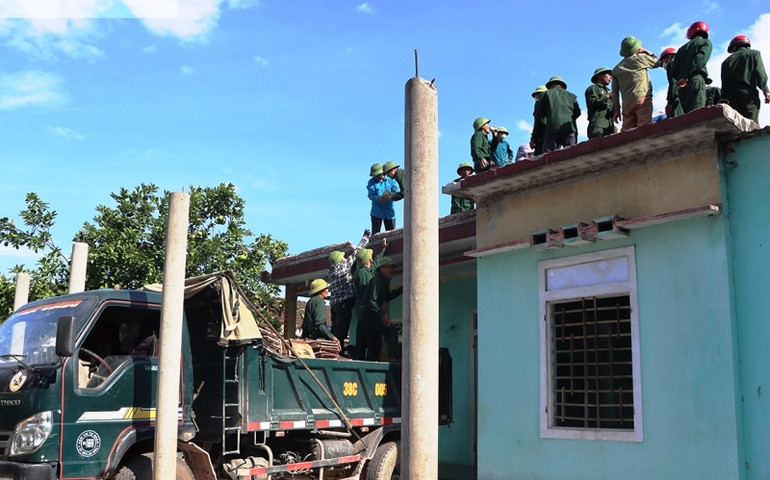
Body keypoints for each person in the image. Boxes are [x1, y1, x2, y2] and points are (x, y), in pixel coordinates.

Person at [328, 229, 370, 346]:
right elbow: (357, 252)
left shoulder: (330, 272)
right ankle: (338, 351)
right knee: (341, 331)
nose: (344, 257)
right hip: (344, 303)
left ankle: (334, 348)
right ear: (339, 260)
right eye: (342, 257)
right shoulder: (344, 265)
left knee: (336, 329)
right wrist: (365, 237)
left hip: (334, 304)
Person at [611, 36, 660, 131]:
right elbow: (659, 62)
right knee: (644, 129)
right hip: (642, 99)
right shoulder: (640, 59)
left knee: (627, 133)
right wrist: (647, 52)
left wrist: (617, 111)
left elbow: (615, 93)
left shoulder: (616, 70)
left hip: (627, 105)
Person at [359, 257, 402, 362]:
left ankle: (370, 365)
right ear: (380, 268)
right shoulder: (378, 280)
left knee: (375, 343)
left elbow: (387, 297)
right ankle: (393, 358)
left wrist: (401, 289)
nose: (389, 270)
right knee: (391, 330)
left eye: (390, 267)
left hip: (367, 313)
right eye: (387, 267)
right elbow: (372, 301)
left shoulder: (383, 281)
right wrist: (382, 314)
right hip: (368, 313)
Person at [353, 238, 389, 360]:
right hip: (365, 310)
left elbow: (375, 264)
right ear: (368, 259)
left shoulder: (368, 270)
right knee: (370, 341)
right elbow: (365, 293)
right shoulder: (363, 273)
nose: (372, 258)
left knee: (367, 340)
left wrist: (384, 249)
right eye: (371, 257)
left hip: (367, 311)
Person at [721, 34, 770, 123]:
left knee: (736, 126)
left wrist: (724, 102)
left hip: (732, 99)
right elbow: (760, 73)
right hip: (748, 95)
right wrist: (766, 90)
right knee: (752, 126)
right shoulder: (754, 54)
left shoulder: (725, 62)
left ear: (734, 47)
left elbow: (724, 85)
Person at [670, 21, 712, 114]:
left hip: (681, 86)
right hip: (695, 80)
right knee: (697, 115)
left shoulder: (681, 49)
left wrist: (681, 80)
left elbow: (673, 71)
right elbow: (700, 60)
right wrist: (686, 77)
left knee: (687, 116)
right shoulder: (705, 43)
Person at [532, 76, 581, 153]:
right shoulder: (571, 96)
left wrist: (534, 138)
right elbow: (577, 112)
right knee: (572, 155)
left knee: (549, 158)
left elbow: (539, 118)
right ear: (562, 86)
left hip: (552, 129)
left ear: (549, 86)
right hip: (569, 129)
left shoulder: (545, 95)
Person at [367, 163, 400, 233]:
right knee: (375, 235)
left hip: (390, 212)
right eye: (376, 175)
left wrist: (391, 195)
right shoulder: (371, 182)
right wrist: (378, 198)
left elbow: (397, 191)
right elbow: (371, 195)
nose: (379, 176)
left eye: (380, 174)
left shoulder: (391, 180)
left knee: (392, 233)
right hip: (377, 212)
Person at [585, 66, 615, 138]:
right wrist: (606, 96)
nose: (610, 77)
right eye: (608, 74)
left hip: (609, 128)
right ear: (600, 75)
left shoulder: (607, 91)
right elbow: (591, 103)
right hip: (598, 127)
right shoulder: (593, 88)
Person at [661, 46, 683, 118]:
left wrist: (670, 102)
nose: (663, 62)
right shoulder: (681, 66)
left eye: (663, 60)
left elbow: (674, 84)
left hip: (678, 97)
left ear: (668, 57)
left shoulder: (671, 65)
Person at [530, 86, 547, 155]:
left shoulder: (538, 104)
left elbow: (538, 122)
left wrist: (533, 138)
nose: (536, 98)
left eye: (538, 96)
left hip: (542, 137)